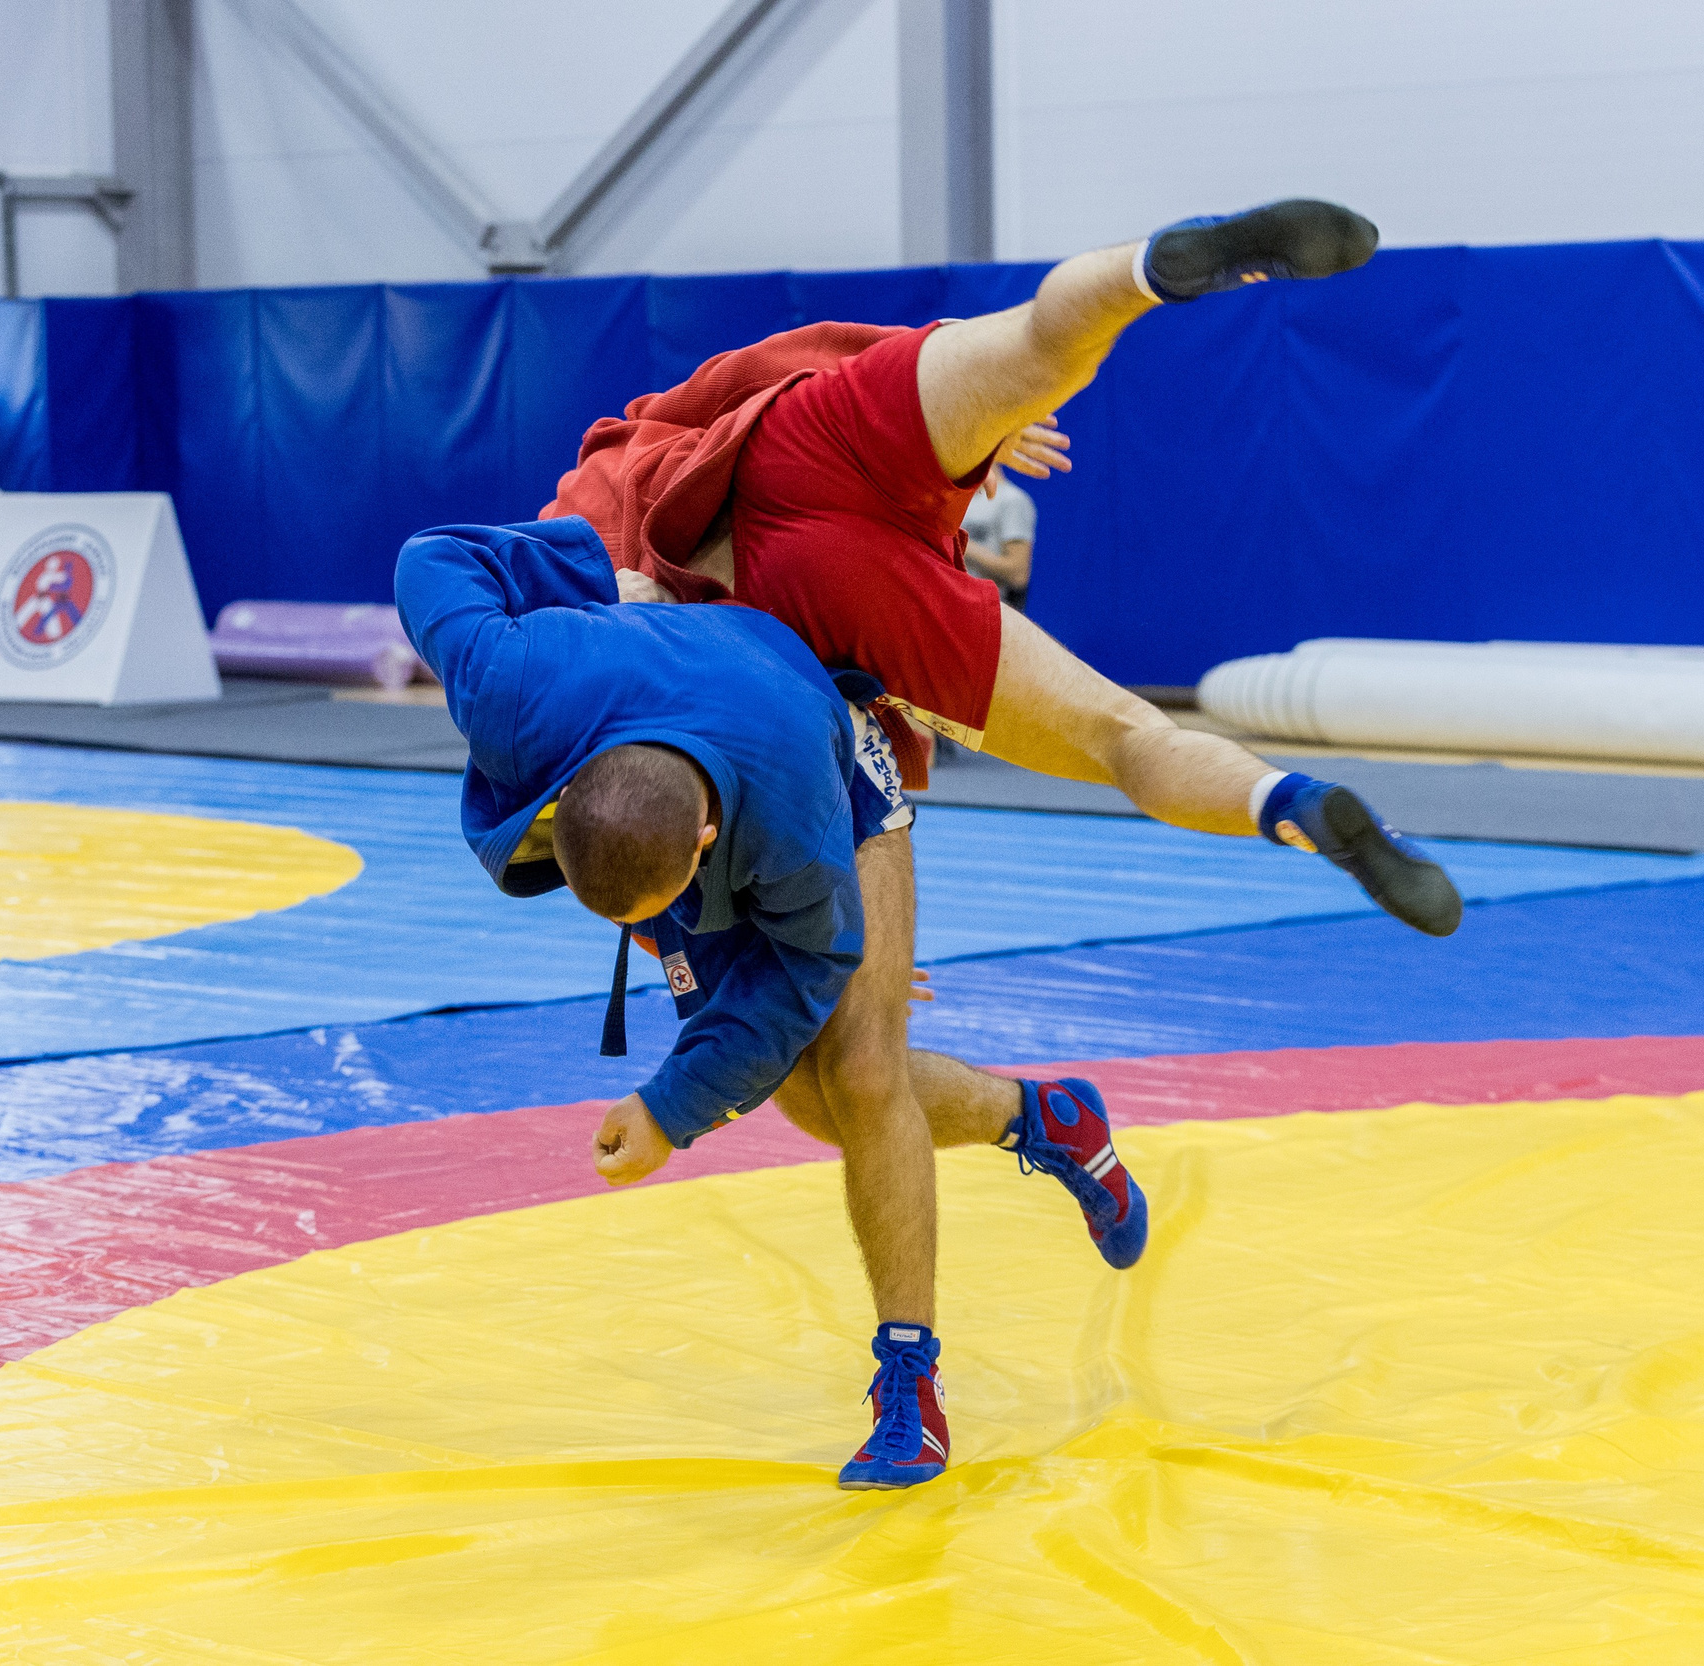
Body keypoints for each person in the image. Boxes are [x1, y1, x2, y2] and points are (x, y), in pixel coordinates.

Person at [395, 514, 1150, 1490]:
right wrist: (593, 567)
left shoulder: (792, 805)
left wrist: (670, 1106)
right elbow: (430, 557)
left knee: (861, 1064)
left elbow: (809, 960)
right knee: (798, 1093)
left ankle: (907, 1377)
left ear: (705, 841)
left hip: (828, 763)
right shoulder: (514, 686)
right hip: (671, 745)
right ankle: (1044, 1118)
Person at [557, 198, 1464, 939]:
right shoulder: (564, 544)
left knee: (1125, 740)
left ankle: (1290, 801)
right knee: (1039, 345)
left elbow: (701, 822)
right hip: (791, 452)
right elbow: (747, 376)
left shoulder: (591, 723)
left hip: (795, 605)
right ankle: (1152, 267)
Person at [960, 470, 1034, 609]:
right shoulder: (957, 497)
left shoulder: (1012, 500)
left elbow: (1018, 574)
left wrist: (961, 545)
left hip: (984, 610)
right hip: (950, 605)